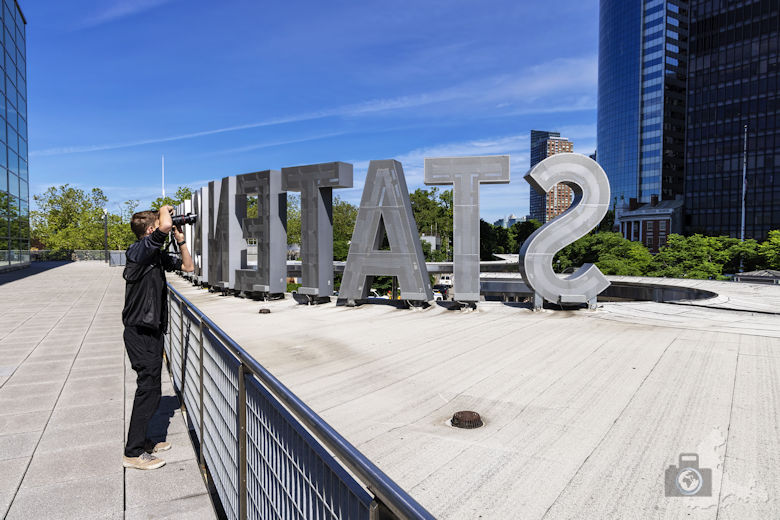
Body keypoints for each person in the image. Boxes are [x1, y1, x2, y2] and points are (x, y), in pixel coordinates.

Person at [121, 205, 194, 470]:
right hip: (139, 331)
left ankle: (144, 441)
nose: (168, 223)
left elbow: (188, 266)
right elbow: (163, 226)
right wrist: (165, 208)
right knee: (148, 388)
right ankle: (132, 452)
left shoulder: (154, 256)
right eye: (162, 223)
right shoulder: (137, 251)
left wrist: (181, 240)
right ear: (150, 230)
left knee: (152, 388)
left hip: (152, 330)